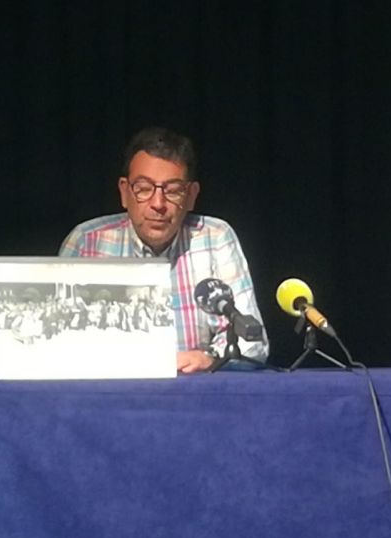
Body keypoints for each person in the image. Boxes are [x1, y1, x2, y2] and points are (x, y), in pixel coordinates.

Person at [59, 127, 269, 373]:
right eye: (143, 188)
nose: (158, 204)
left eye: (173, 191)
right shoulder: (87, 242)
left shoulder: (215, 238)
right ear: (124, 192)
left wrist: (210, 358)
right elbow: (57, 342)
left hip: (192, 389)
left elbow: (253, 342)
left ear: (191, 196)